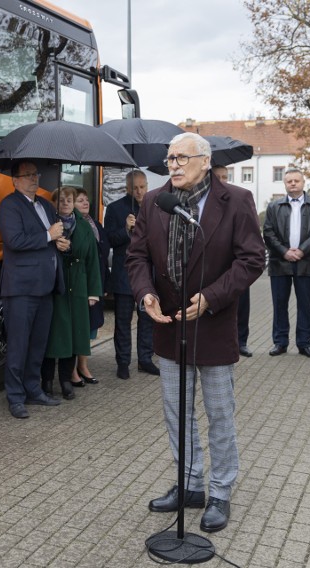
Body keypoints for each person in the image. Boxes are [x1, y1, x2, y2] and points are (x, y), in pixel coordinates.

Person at [126, 132, 264, 533]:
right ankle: (189, 485)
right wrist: (145, 293)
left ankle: (220, 492)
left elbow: (253, 259)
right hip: (170, 326)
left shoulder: (235, 200)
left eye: (182, 158)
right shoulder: (155, 201)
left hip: (215, 324)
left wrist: (212, 297)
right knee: (177, 412)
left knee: (220, 413)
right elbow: (136, 256)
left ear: (205, 161)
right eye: (169, 158)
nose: (173, 165)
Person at [0, 161, 69, 419]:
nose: (33, 179)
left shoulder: (46, 205)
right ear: (14, 180)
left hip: (45, 286)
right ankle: (15, 397)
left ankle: (33, 389)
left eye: (35, 174)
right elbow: (14, 241)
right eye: (26, 175)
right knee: (18, 345)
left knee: (38, 344)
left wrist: (59, 241)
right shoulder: (9, 206)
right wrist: (49, 236)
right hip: (21, 289)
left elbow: (52, 236)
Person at [41, 187, 102, 400]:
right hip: (56, 285)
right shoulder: (48, 224)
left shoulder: (84, 227)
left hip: (78, 285)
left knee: (75, 335)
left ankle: (66, 380)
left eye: (69, 200)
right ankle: (46, 381)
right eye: (61, 200)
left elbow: (93, 261)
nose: (65, 203)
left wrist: (94, 292)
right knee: (54, 336)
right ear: (55, 203)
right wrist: (55, 245)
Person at [263, 167, 310, 359]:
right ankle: (280, 342)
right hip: (279, 262)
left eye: (296, 181)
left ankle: (304, 344)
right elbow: (268, 232)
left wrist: (301, 251)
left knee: (305, 305)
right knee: (279, 305)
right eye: (289, 181)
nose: (292, 184)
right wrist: (284, 251)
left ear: (303, 182)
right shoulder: (274, 206)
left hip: (307, 262)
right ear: (285, 183)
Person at [104, 169, 158, 378]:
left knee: (147, 319)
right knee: (123, 321)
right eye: (134, 188)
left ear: (147, 185)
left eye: (142, 187)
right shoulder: (115, 209)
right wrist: (126, 229)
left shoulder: (154, 206)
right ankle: (123, 362)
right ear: (127, 188)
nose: (139, 191)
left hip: (148, 274)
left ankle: (145, 359)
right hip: (124, 273)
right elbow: (110, 239)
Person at [212, 165, 254, 357]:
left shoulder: (238, 200)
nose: (222, 181)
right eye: (218, 177)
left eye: (225, 177)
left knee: (242, 306)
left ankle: (242, 341)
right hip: (216, 269)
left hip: (236, 267)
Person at [73, 188, 109, 384]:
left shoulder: (95, 223)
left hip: (97, 280)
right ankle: (76, 369)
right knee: (80, 324)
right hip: (82, 282)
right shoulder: (74, 224)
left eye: (86, 199)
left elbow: (103, 253)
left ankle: (83, 364)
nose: (85, 203)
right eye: (80, 200)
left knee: (90, 326)